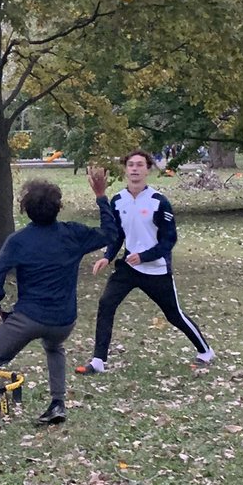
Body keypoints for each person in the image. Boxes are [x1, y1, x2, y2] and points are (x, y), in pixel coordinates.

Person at [0, 168, 116, 435]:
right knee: (54, 345)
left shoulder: (18, 241)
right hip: (64, 320)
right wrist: (101, 196)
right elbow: (110, 233)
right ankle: (58, 403)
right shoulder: (73, 233)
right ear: (58, 207)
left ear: (25, 209)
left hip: (29, 318)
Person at [75, 149, 214, 375]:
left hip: (155, 269)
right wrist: (107, 257)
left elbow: (169, 240)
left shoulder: (159, 202)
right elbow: (118, 235)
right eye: (131, 165)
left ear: (148, 169)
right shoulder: (118, 200)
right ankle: (98, 361)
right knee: (106, 304)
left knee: (174, 315)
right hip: (128, 268)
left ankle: (205, 351)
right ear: (125, 169)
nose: (135, 169)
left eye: (140, 165)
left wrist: (145, 256)